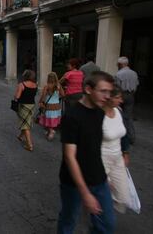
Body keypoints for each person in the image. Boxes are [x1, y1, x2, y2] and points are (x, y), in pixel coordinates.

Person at [58, 71, 115, 234]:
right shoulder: (72, 116)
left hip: (99, 179)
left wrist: (105, 175)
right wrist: (85, 192)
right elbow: (70, 156)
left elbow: (95, 147)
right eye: (103, 91)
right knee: (69, 219)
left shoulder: (100, 112)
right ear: (88, 89)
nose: (107, 96)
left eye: (109, 92)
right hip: (73, 183)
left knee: (107, 225)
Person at [101, 85, 130, 214]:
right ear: (108, 98)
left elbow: (124, 134)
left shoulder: (119, 111)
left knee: (122, 196)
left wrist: (125, 152)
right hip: (101, 159)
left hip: (117, 158)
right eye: (118, 97)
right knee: (102, 195)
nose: (121, 101)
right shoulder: (98, 114)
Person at [115, 56, 139, 145]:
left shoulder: (118, 74)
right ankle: (131, 137)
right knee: (128, 117)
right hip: (131, 95)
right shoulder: (134, 73)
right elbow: (136, 85)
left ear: (120, 64)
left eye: (117, 64)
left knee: (118, 115)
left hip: (121, 95)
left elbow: (117, 88)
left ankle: (120, 136)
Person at [14, 70, 38, 151]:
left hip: (23, 106)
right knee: (26, 122)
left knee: (25, 125)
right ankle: (20, 136)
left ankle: (29, 145)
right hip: (31, 106)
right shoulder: (35, 85)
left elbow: (17, 97)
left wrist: (15, 95)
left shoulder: (22, 84)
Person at [38, 72, 65, 140]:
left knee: (48, 119)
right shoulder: (59, 86)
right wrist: (57, 96)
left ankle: (51, 132)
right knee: (52, 119)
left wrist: (40, 102)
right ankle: (50, 131)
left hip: (49, 105)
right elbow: (63, 94)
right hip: (57, 105)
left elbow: (43, 96)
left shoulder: (47, 86)